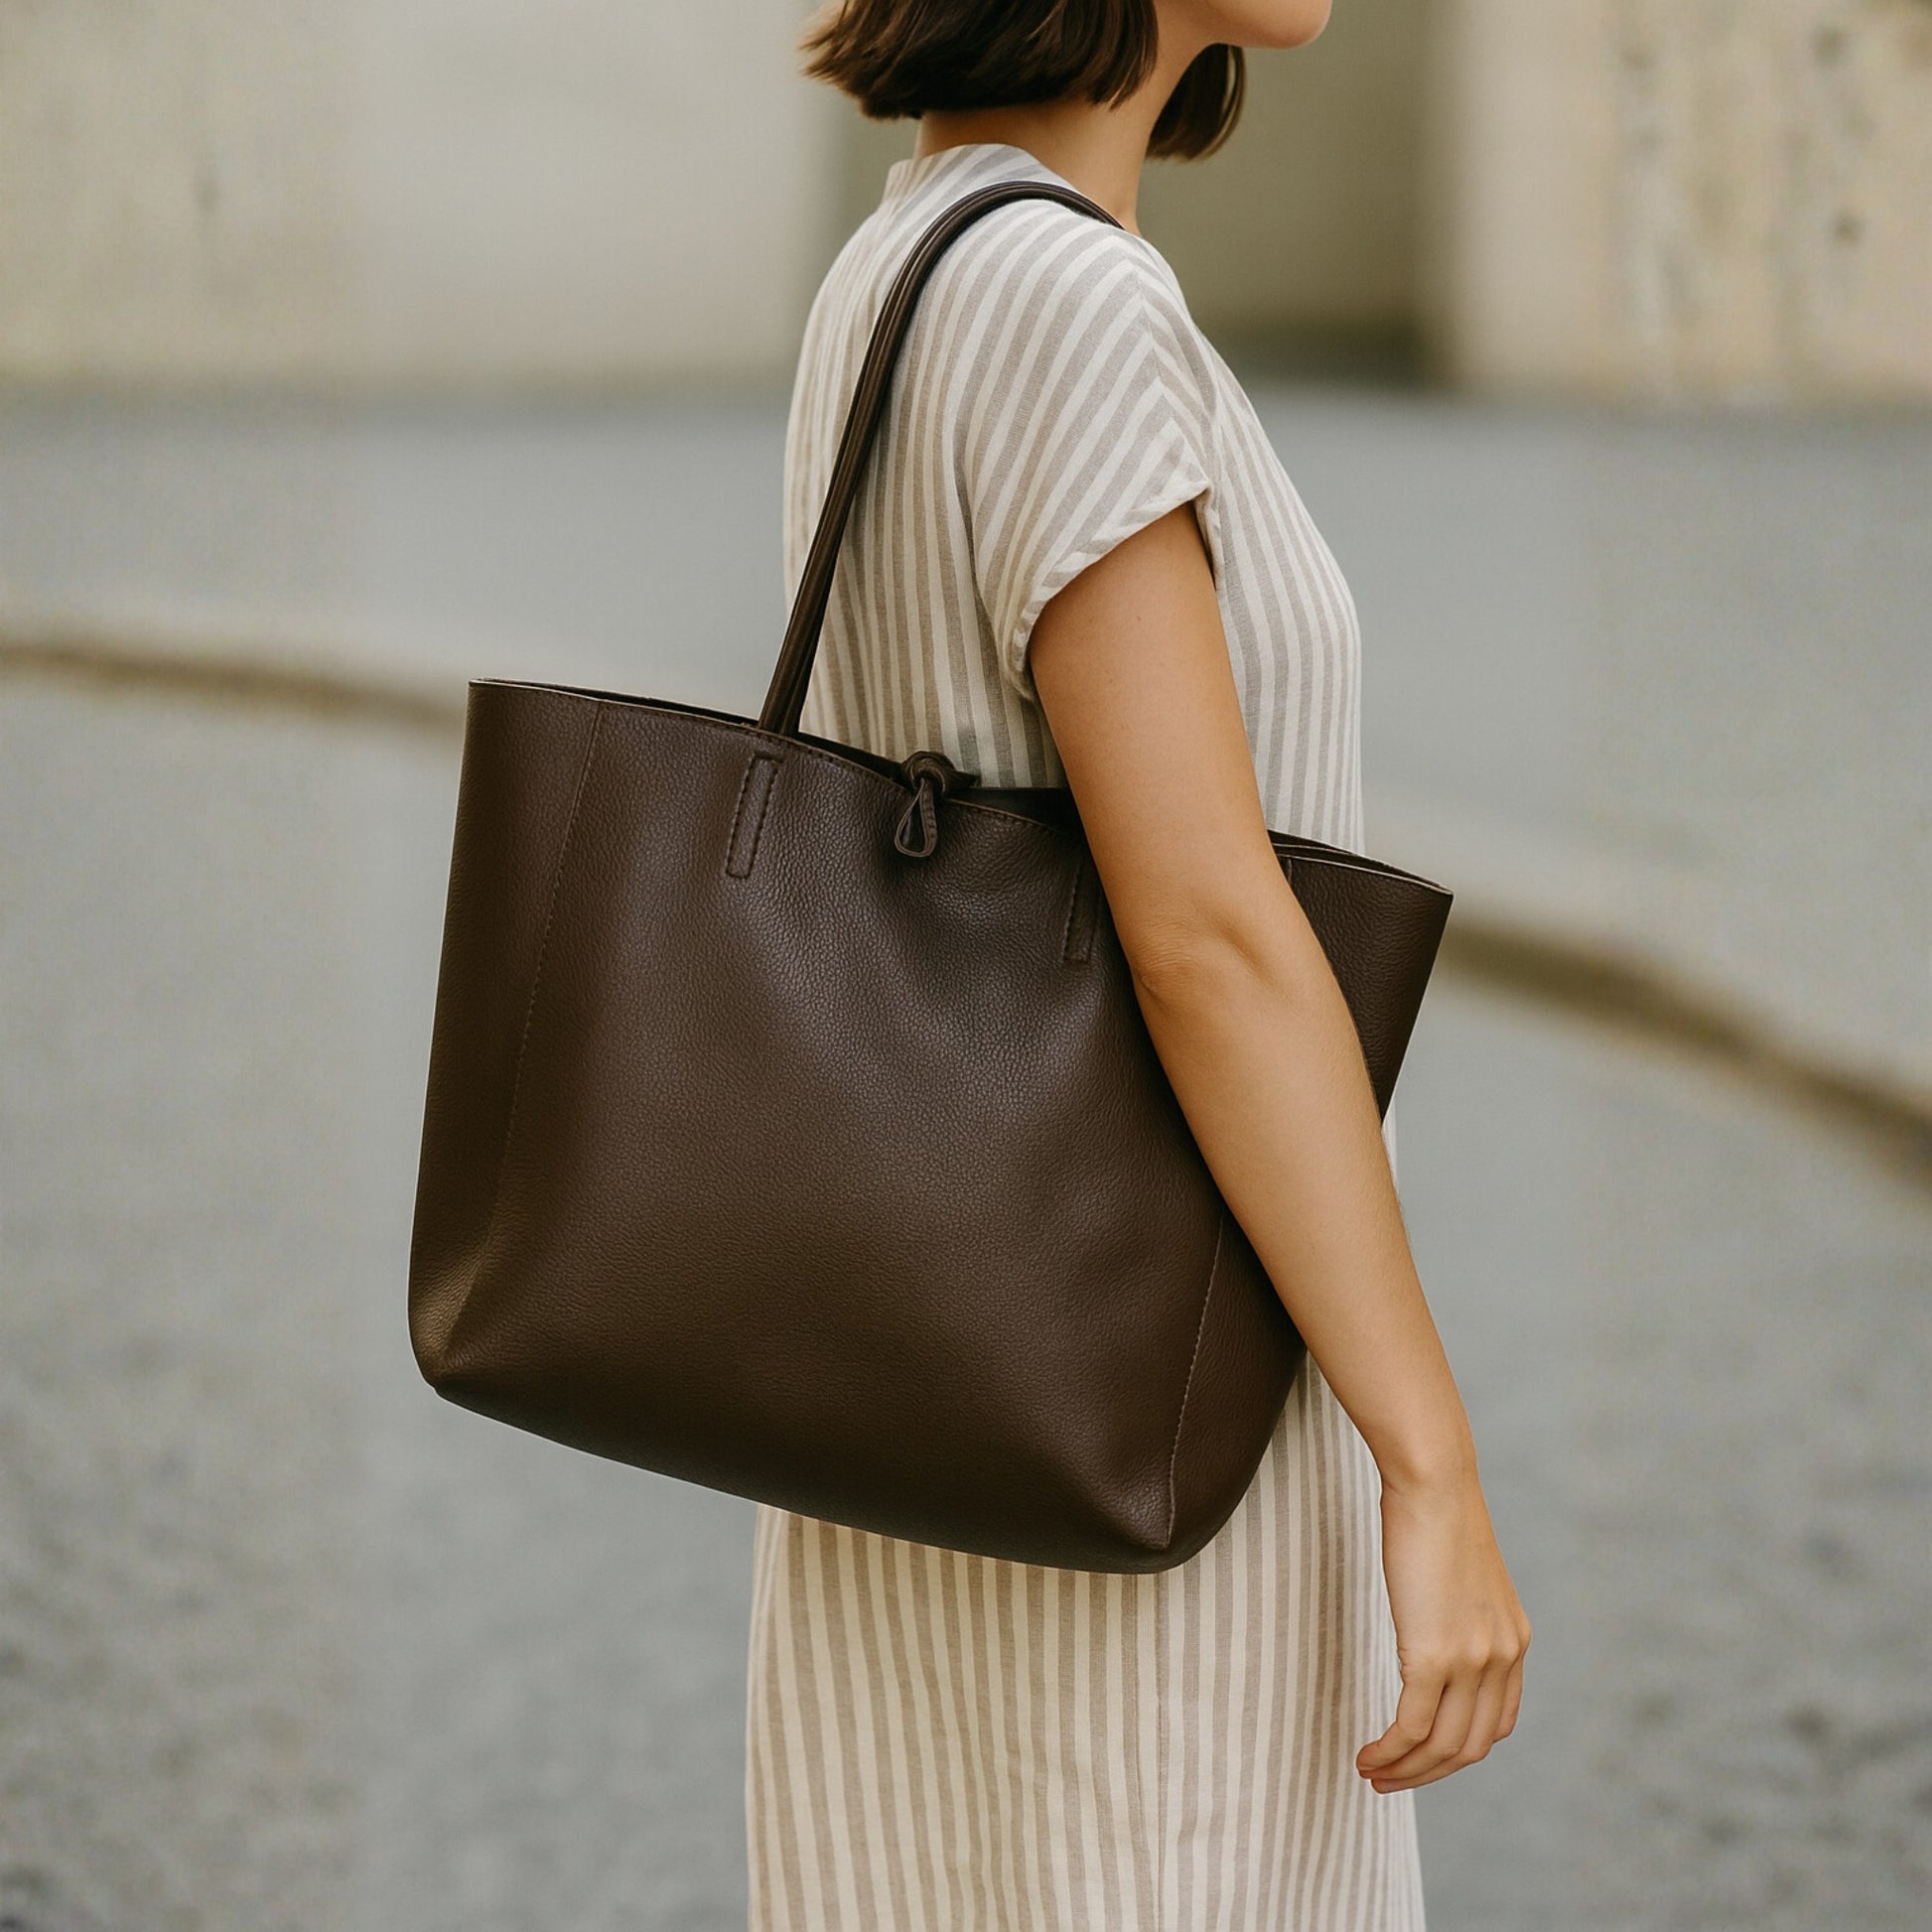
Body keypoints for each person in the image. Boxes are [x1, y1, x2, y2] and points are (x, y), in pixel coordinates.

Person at [746, 3, 1532, 1925]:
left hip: (920, 1385)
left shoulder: (909, 253)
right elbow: (1205, 935)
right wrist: (1424, 1461)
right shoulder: (1068, 307)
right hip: (1148, 1403)